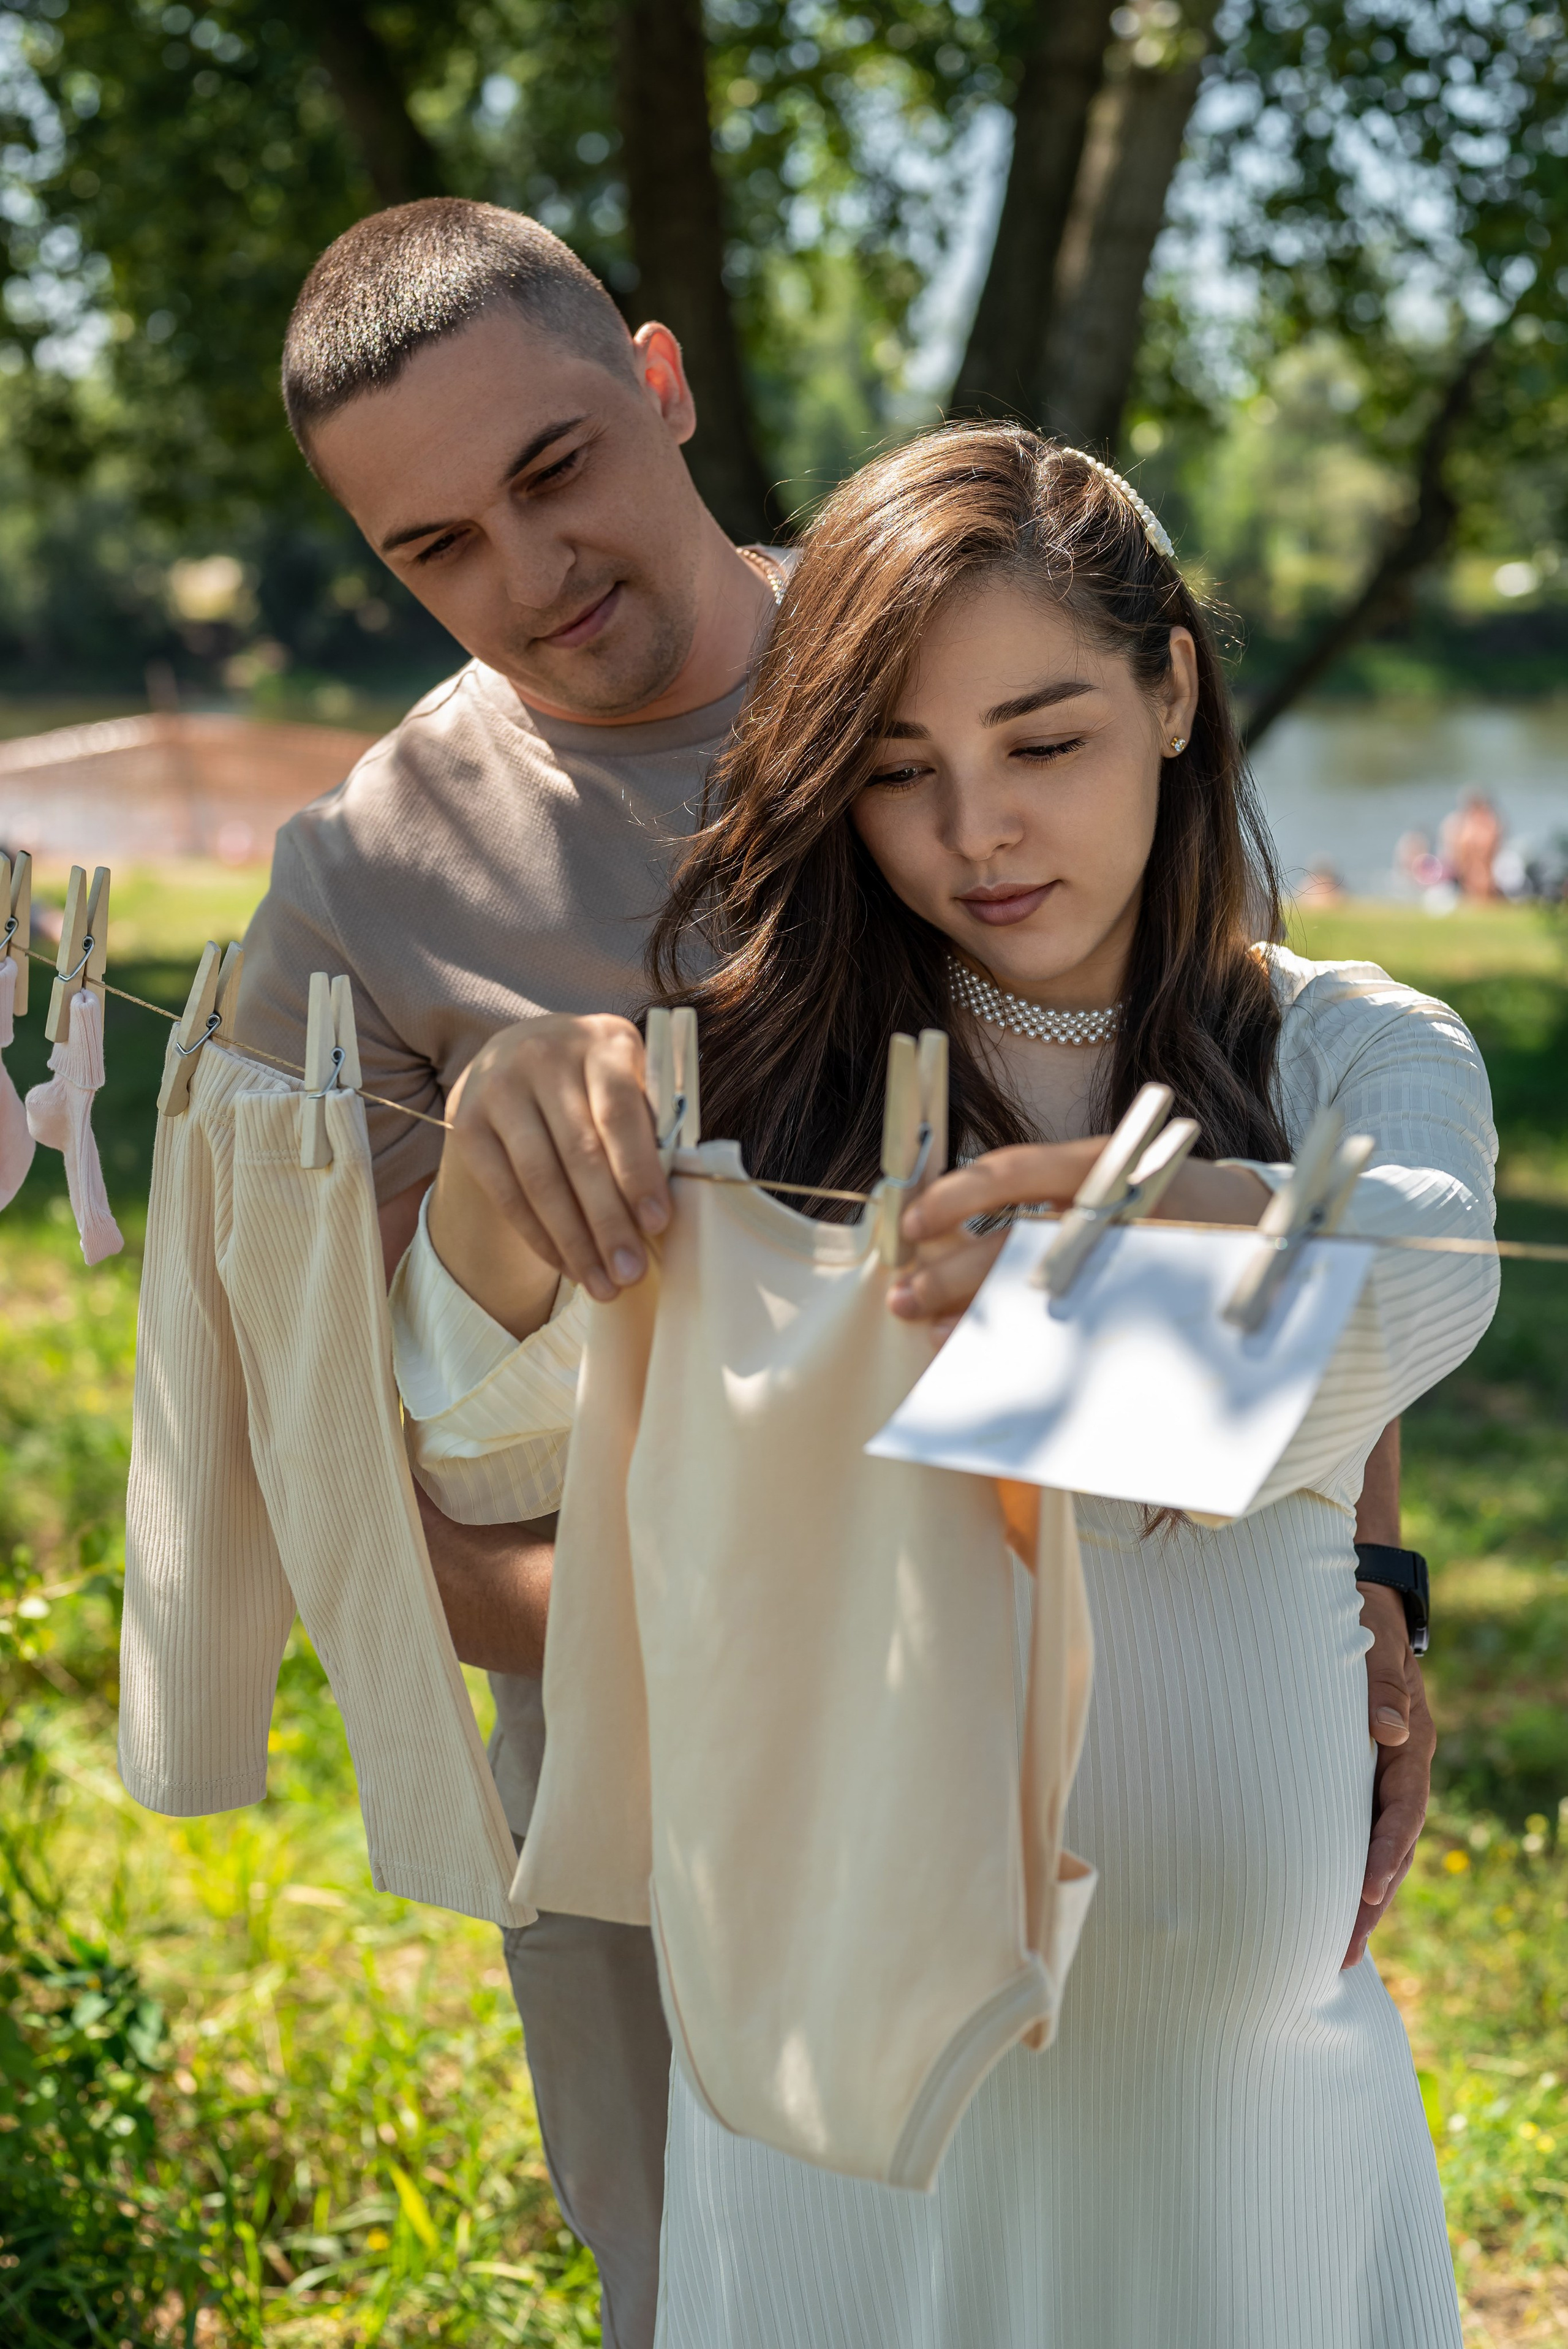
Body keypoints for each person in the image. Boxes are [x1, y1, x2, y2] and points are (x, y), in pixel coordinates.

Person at [238, 199, 1422, 2339]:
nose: (532, 578)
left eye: (558, 467)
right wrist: (720, 1604)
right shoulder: (360, 888)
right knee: (727, 2257)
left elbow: (1264, 1138)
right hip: (676, 1780)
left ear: (665, 382)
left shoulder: (961, 630)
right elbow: (409, 1488)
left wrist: (1367, 1576)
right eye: (435, 549)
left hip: (1144, 1783)